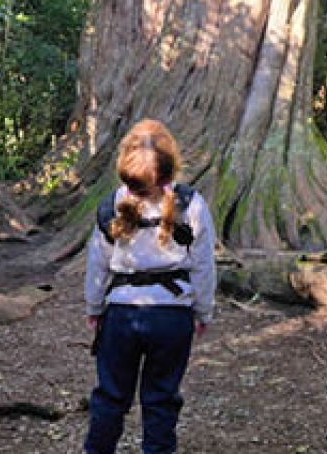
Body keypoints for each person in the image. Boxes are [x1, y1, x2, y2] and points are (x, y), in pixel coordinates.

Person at [83, 118, 216, 454]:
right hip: (172, 318)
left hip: (121, 317)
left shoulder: (110, 205)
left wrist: (94, 308)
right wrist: (203, 311)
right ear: (172, 168)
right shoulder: (193, 205)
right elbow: (203, 266)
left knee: (111, 396)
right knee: (161, 399)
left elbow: (97, 264)